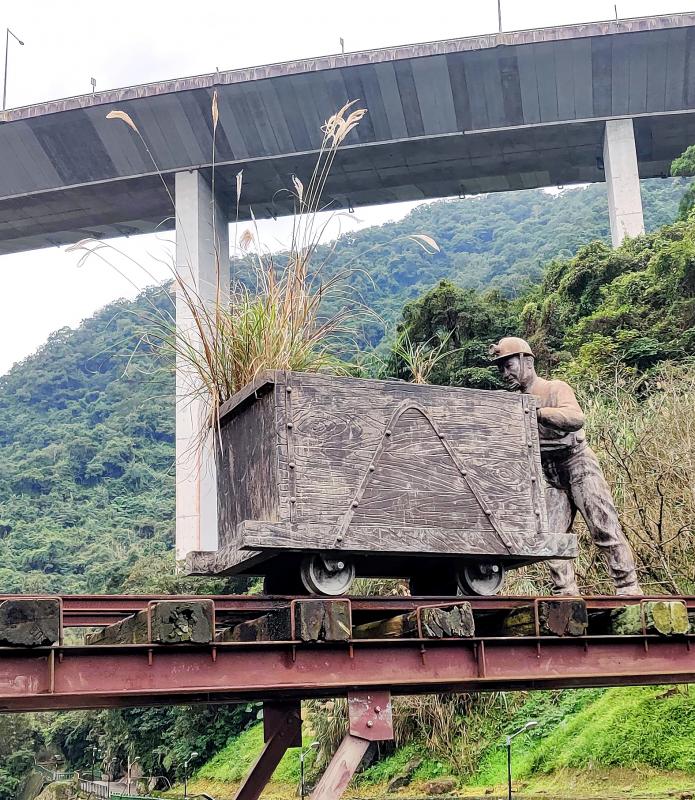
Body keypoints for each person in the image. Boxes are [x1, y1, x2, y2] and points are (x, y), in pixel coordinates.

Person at [489, 336, 642, 596]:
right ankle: (565, 591)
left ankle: (627, 586)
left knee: (603, 525)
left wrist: (538, 412)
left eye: (509, 365)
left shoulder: (554, 388)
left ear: (527, 361)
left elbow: (575, 418)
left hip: (578, 463)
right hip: (549, 474)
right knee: (553, 537)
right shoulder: (512, 404)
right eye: (501, 368)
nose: (505, 373)